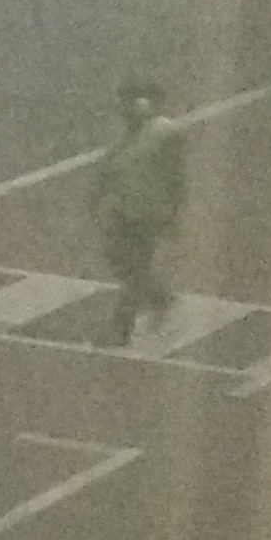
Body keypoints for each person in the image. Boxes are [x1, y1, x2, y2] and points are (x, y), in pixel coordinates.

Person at [94, 80, 188, 346]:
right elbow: (109, 165)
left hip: (149, 215)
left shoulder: (165, 133)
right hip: (123, 211)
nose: (126, 106)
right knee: (119, 262)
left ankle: (120, 328)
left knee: (135, 271)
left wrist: (173, 213)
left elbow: (176, 176)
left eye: (133, 100)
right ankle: (157, 294)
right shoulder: (119, 132)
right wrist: (96, 196)